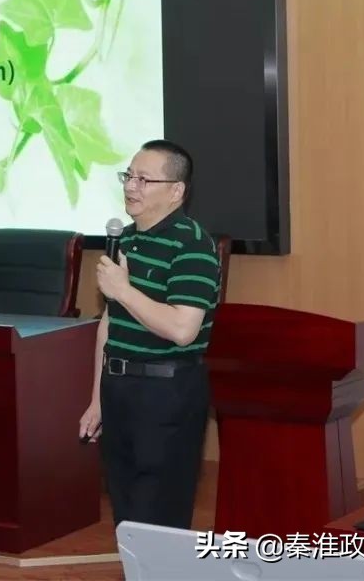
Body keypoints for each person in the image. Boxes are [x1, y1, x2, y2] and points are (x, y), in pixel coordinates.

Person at [78, 139, 220, 530]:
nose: (131, 186)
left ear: (176, 191)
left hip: (166, 395)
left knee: (158, 518)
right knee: (125, 517)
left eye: (144, 179)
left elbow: (182, 329)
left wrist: (123, 290)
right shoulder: (124, 239)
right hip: (118, 390)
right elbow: (110, 323)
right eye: (128, 176)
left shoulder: (192, 245)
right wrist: (97, 400)